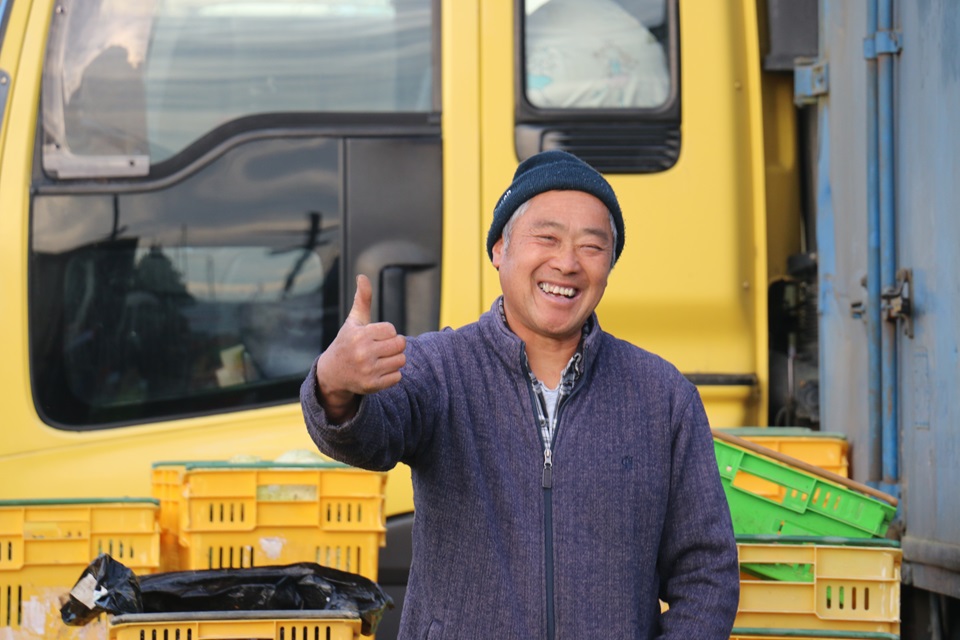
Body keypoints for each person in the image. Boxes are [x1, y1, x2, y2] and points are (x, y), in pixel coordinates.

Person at [301, 150, 740, 638]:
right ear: (499, 250)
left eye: (592, 247)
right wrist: (334, 383)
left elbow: (707, 572)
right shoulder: (441, 369)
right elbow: (364, 436)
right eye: (547, 238)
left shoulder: (663, 397)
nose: (568, 262)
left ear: (610, 265)